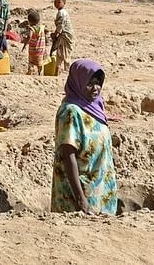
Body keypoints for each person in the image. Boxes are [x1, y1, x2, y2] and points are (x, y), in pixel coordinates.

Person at [51, 59, 118, 215]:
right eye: (90, 83)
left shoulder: (96, 106)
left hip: (100, 189)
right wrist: (80, 198)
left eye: (98, 83)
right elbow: (68, 155)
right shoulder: (71, 112)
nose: (96, 88)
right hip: (80, 194)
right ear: (79, 83)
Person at [51, 0, 74, 74]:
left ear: (64, 3)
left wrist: (56, 33)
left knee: (65, 53)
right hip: (62, 34)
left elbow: (60, 25)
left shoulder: (62, 13)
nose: (56, 3)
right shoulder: (60, 12)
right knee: (59, 53)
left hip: (66, 35)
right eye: (55, 1)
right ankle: (57, 71)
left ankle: (68, 71)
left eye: (59, 2)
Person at [21, 9, 47, 75]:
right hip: (41, 50)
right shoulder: (42, 28)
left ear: (29, 21)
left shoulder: (31, 28)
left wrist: (25, 44)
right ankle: (40, 73)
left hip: (33, 49)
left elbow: (29, 36)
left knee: (31, 62)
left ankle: (30, 71)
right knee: (40, 63)